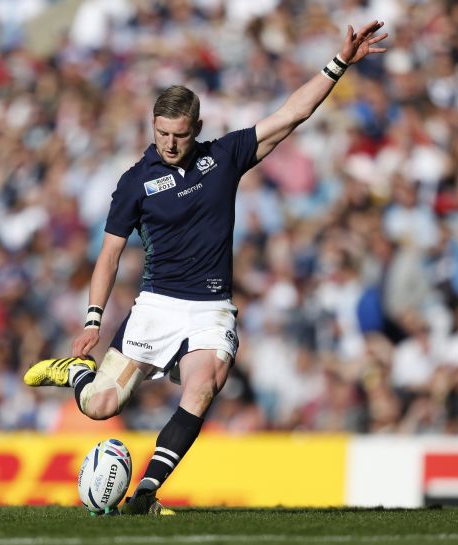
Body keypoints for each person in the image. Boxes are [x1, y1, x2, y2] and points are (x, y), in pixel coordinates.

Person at [24, 20, 388, 515]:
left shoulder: (223, 158)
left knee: (205, 383)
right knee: (100, 406)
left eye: (179, 135)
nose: (169, 144)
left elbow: (292, 114)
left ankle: (145, 496)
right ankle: (76, 375)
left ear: (196, 128)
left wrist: (339, 63)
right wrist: (93, 320)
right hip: (156, 306)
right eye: (161, 133)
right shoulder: (134, 182)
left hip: (210, 309)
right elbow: (109, 254)